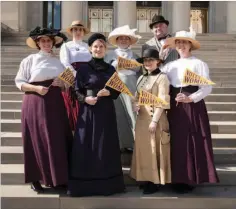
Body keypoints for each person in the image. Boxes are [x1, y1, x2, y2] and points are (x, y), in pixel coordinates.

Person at [15, 27, 73, 193]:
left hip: (55, 103)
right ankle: (36, 178)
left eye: (49, 40)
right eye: (43, 41)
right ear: (38, 43)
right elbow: (19, 82)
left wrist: (62, 84)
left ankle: (58, 178)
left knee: (56, 139)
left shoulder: (59, 62)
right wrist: (36, 89)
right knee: (36, 139)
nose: (46, 43)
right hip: (35, 101)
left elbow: (67, 84)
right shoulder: (29, 60)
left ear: (53, 43)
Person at [67, 33, 125, 197]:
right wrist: (85, 99)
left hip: (106, 111)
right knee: (87, 143)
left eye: (101, 46)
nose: (98, 49)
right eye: (95, 47)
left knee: (104, 144)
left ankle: (108, 184)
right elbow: (76, 90)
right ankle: (84, 186)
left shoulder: (111, 69)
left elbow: (117, 89)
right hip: (88, 111)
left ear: (105, 49)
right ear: (90, 49)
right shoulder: (83, 69)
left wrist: (110, 92)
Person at [161, 29, 219, 193]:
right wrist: (161, 56)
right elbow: (157, 79)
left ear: (190, 45)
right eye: (178, 43)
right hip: (174, 107)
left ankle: (190, 178)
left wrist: (191, 98)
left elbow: (206, 88)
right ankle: (175, 177)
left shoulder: (199, 64)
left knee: (190, 140)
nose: (181, 45)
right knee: (176, 142)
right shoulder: (169, 66)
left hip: (192, 106)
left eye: (184, 42)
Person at [130, 49, 171, 194]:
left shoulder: (162, 77)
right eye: (146, 60)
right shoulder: (141, 77)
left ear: (157, 61)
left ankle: (155, 182)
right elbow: (137, 97)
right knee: (144, 151)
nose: (148, 63)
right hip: (141, 119)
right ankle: (145, 178)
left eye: (151, 60)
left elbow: (163, 100)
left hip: (156, 119)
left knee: (154, 150)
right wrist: (135, 105)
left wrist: (154, 121)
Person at [105, 25, 141, 151]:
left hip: (132, 85)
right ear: (117, 40)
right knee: (118, 114)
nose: (124, 40)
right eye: (121, 38)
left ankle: (134, 144)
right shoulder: (110, 54)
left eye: (126, 38)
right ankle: (119, 144)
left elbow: (139, 70)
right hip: (116, 85)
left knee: (132, 114)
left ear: (130, 41)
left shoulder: (135, 55)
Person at [60, 20, 92, 131]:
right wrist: (76, 75)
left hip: (88, 80)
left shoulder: (89, 46)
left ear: (83, 32)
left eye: (80, 30)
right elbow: (64, 62)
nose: (78, 32)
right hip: (73, 79)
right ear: (72, 32)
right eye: (75, 30)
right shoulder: (66, 46)